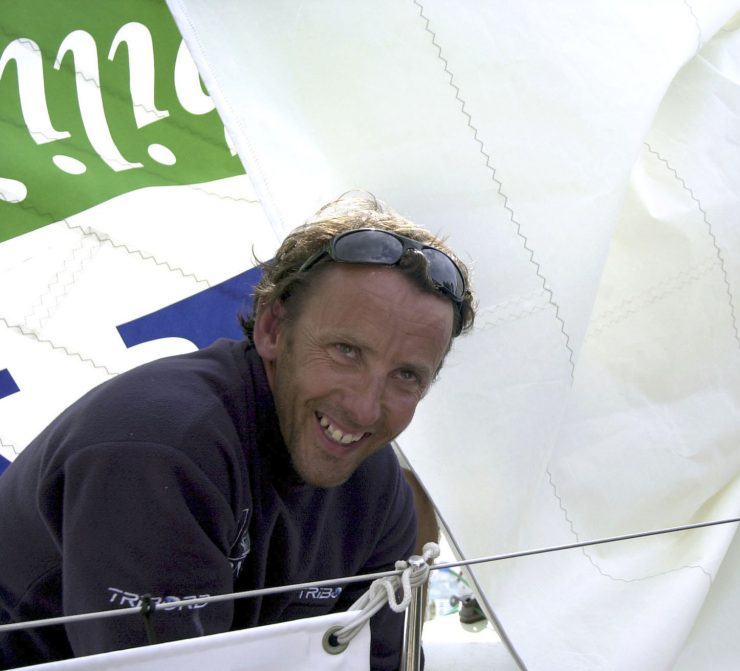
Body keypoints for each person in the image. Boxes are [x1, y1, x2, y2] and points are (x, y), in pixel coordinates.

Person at [0, 192, 475, 670]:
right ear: (272, 328)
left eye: (406, 375)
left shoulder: (375, 489)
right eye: (346, 351)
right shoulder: (165, 447)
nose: (364, 409)